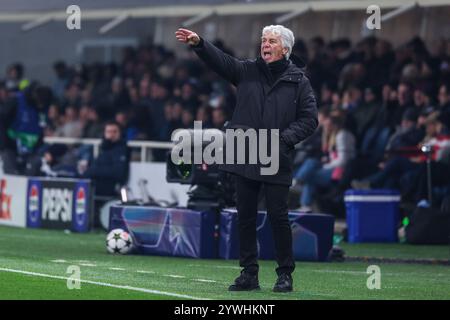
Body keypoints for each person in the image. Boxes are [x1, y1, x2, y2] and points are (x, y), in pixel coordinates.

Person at [175, 25, 318, 292]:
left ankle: (285, 274)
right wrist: (199, 44)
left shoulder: (299, 81)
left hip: (276, 157)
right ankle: (248, 273)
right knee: (245, 217)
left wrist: (282, 140)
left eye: (272, 41)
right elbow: (222, 62)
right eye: (263, 40)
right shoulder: (247, 70)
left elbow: (310, 120)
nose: (265, 44)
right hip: (244, 152)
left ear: (285, 49)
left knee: (278, 216)